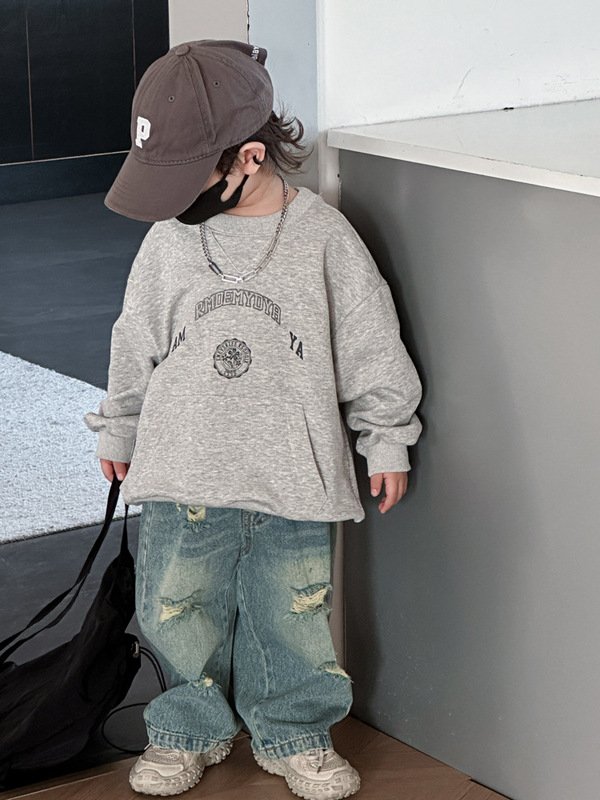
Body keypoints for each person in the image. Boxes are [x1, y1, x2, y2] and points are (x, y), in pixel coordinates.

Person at [84, 40, 422, 800]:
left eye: (186, 180)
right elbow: (134, 342)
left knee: (293, 613)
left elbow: (371, 345)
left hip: (292, 477)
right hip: (182, 470)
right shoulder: (169, 241)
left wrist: (387, 439)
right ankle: (184, 730)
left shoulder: (325, 239)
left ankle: (295, 731)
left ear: (250, 157)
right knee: (175, 609)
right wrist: (119, 426)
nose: (173, 202)